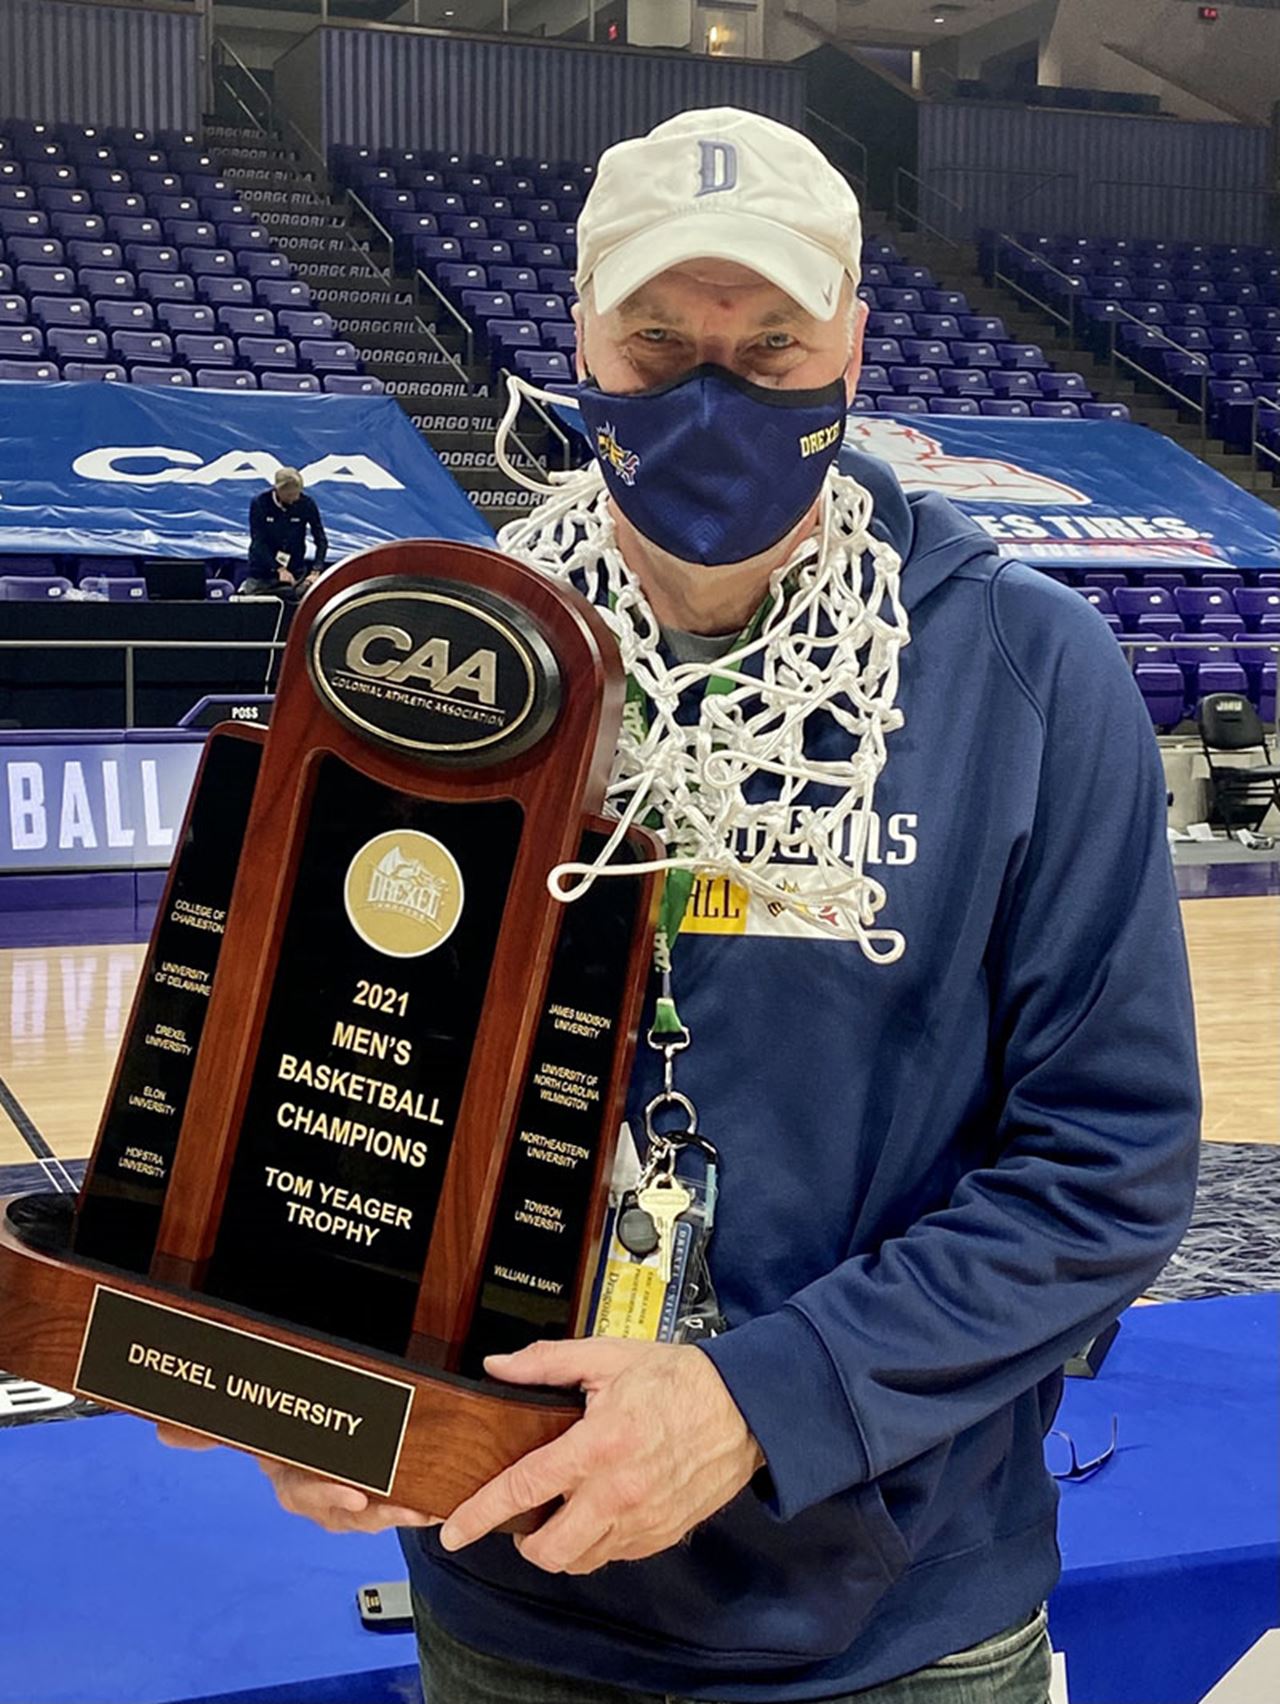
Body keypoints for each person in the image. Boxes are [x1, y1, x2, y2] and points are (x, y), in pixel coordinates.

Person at [167, 109, 1200, 1702]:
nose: (713, 399)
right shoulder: (437, 652)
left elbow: (1109, 1168)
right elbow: (338, 1063)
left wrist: (757, 1402)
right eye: (658, 346)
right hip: (503, 1585)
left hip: (901, 1633)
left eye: (771, 349)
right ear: (579, 338)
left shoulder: (1031, 672)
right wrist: (298, 1357)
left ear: (854, 344)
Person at [240, 467, 328, 598]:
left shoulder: (306, 504)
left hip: (295, 569)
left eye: (297, 494)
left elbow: (321, 539)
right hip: (263, 571)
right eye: (289, 496)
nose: (294, 499)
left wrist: (316, 570)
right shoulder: (260, 503)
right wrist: (279, 568)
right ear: (278, 490)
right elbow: (258, 541)